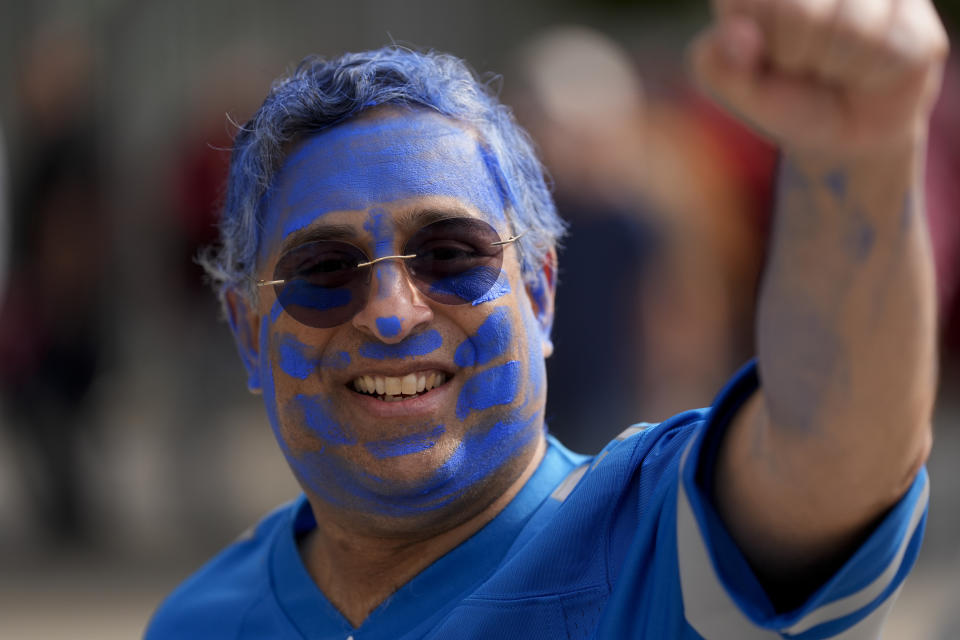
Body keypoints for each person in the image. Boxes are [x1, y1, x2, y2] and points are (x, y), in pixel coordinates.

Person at [146, 0, 947, 637]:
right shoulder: (197, 620)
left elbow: (829, 456)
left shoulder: (663, 549)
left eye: (452, 254)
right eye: (322, 272)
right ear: (249, 333)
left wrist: (862, 158)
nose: (391, 313)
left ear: (538, 292)